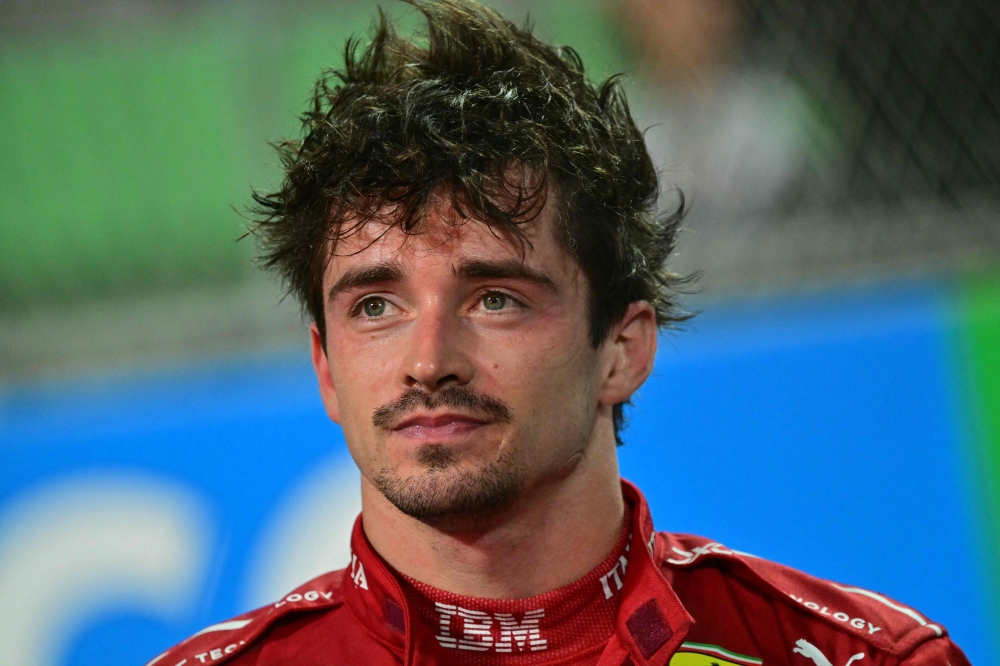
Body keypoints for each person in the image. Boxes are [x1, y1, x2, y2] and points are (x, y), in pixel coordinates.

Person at [148, 1, 969, 664]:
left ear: (622, 348)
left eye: (494, 299)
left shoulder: (856, 658)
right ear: (325, 369)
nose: (428, 361)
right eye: (375, 306)